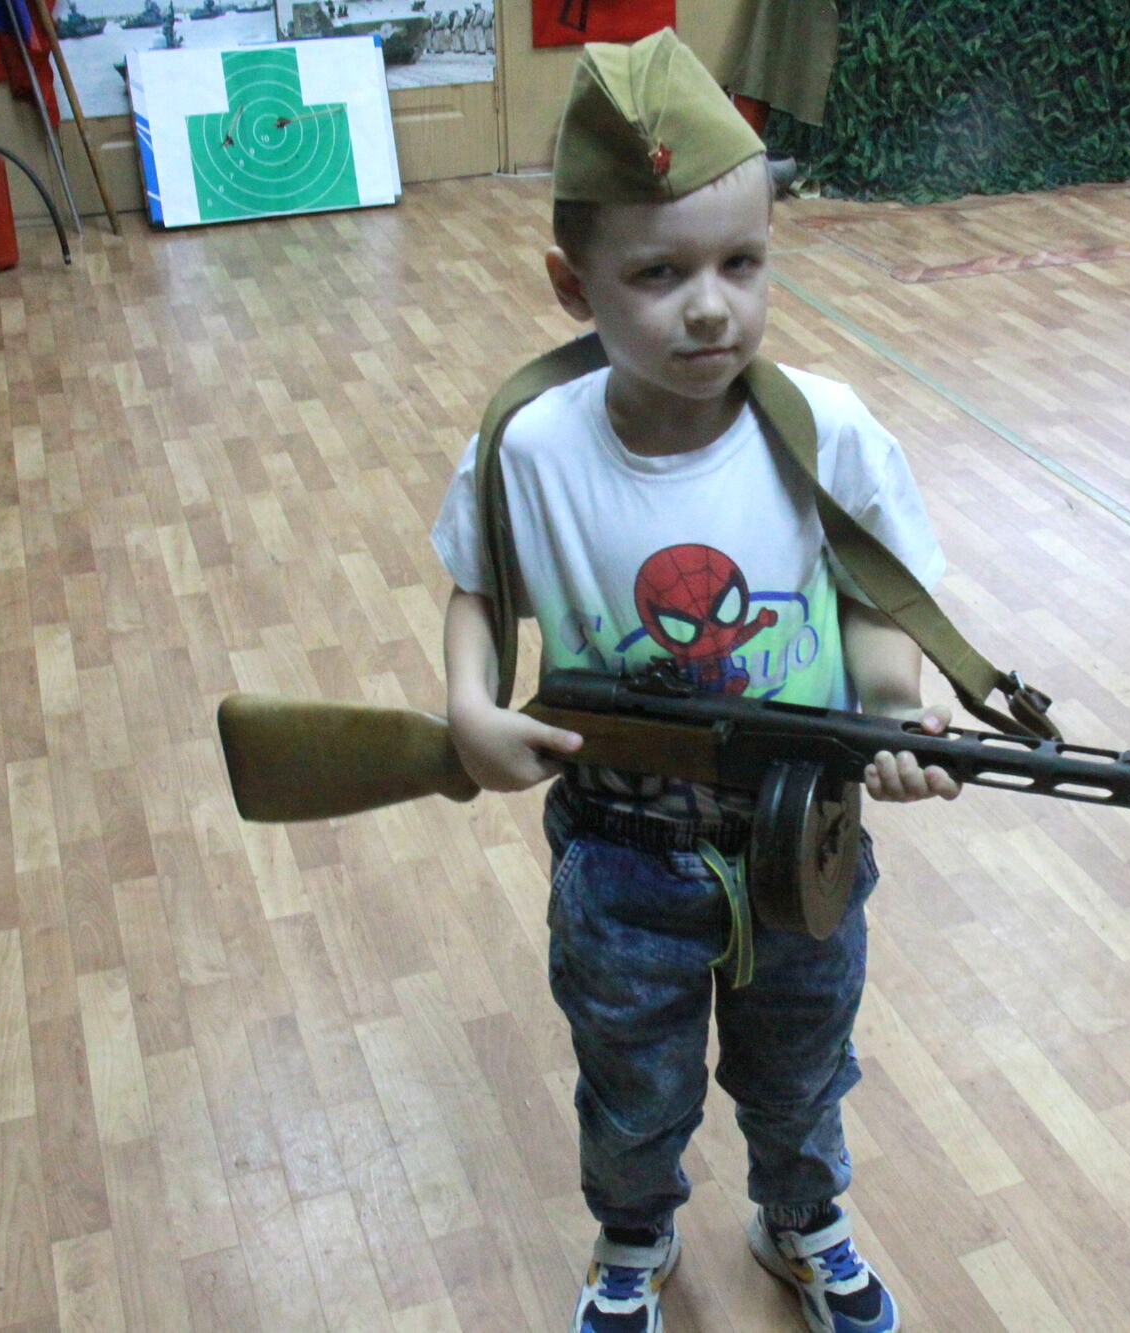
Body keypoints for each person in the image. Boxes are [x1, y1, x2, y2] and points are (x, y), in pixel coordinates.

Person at [432, 28, 957, 1333]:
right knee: (632, 1082)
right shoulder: (531, 447)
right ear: (573, 286)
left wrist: (896, 712)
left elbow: (878, 608)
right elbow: (479, 588)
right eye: (658, 273)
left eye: (741, 263)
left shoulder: (827, 432)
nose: (710, 306)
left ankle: (802, 1216)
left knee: (803, 1068)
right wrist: (469, 707)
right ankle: (634, 1237)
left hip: (803, 838)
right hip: (620, 851)